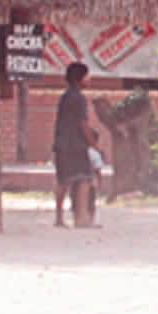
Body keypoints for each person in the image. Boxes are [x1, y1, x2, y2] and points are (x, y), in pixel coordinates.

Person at [52, 61, 100, 228]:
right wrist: (94, 144)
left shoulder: (65, 96)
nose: (89, 79)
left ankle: (59, 218)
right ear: (79, 78)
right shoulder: (79, 98)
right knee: (84, 180)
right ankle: (82, 218)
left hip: (61, 144)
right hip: (76, 145)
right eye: (87, 76)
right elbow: (83, 124)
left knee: (63, 180)